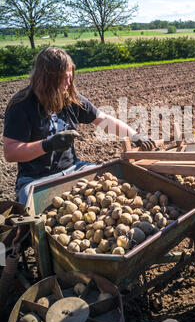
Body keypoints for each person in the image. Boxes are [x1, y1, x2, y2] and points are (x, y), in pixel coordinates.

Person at [3, 47, 155, 205]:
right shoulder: (21, 105)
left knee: (111, 183)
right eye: (63, 78)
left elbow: (104, 120)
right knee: (29, 210)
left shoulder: (70, 99)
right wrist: (47, 145)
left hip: (73, 169)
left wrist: (134, 135)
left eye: (70, 77)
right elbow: (11, 152)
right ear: (47, 78)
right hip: (35, 180)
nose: (69, 84)